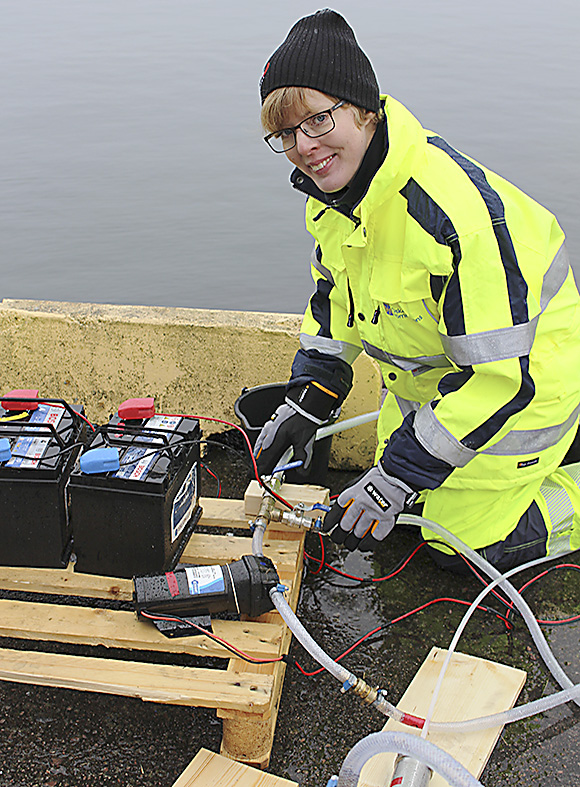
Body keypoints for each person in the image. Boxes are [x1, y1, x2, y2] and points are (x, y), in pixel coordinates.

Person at [253, 8, 580, 572]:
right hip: (433, 394)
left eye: (318, 121)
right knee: (398, 523)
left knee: (460, 550)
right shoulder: (333, 200)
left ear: (365, 112)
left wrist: (400, 474)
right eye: (284, 132)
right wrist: (307, 399)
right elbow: (333, 306)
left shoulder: (458, 217)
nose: (303, 145)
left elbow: (501, 380)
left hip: (526, 394)